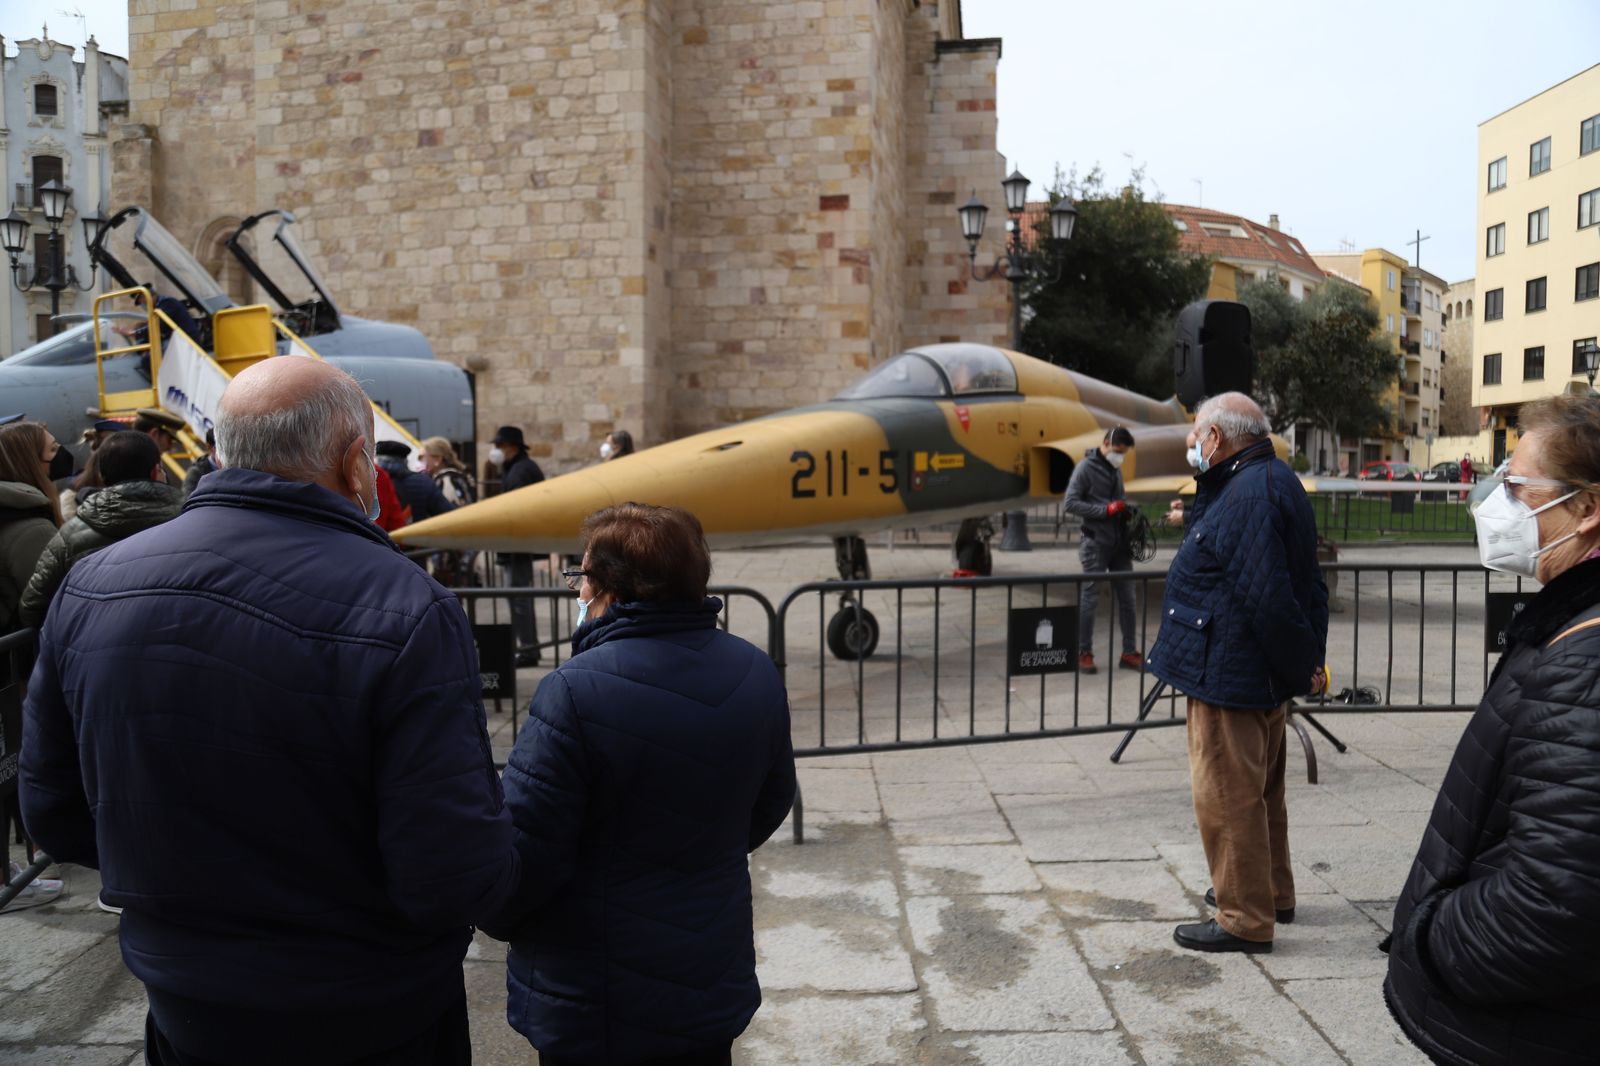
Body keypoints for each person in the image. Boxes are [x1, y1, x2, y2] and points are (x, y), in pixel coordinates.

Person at [19, 357, 521, 1065]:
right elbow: (448, 870)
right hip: (371, 1004)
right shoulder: (404, 606)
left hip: (187, 998)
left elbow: (54, 813)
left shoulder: (95, 582)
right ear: (355, 463)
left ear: (222, 452)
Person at [484, 503, 796, 1065]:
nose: (577, 593)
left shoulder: (575, 692)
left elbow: (527, 851)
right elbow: (771, 801)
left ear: (610, 588)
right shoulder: (754, 669)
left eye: (581, 577)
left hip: (598, 987)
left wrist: (501, 917)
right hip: (706, 966)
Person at [1384, 395, 1600, 1064]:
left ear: (1588, 509)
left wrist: (1429, 938)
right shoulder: (1567, 624)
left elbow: (1554, 907)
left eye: (1515, 487)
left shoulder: (1584, 663)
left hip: (1528, 1031)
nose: (1496, 505)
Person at [1149, 393, 1327, 955]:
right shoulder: (1266, 479)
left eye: (1195, 433)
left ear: (1219, 438)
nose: (1190, 443)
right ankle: (1269, 892)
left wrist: (1301, 668)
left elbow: (1270, 599)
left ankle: (1243, 916)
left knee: (1228, 795)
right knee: (1261, 793)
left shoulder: (1248, 493)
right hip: (1254, 672)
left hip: (1231, 673)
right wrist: (1300, 666)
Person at [19, 432, 183, 629]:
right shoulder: (192, 521)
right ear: (156, 472)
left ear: (102, 477)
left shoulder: (71, 534)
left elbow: (32, 606)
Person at [1062, 426, 1142, 673]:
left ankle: (1129, 652)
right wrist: (1105, 510)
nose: (1120, 456)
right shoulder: (1085, 467)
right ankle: (1084, 653)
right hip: (1095, 542)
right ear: (1106, 443)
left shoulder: (1115, 469)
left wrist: (1124, 511)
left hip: (1119, 544)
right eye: (1118, 450)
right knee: (1090, 598)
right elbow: (1070, 503)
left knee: (1128, 598)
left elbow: (1117, 501)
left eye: (1124, 453)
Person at [0, 422, 66, 633]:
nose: (62, 455)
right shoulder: (33, 530)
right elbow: (56, 605)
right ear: (29, 462)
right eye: (53, 449)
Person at [490, 425, 545, 665]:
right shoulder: (517, 468)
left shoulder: (521, 470)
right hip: (515, 543)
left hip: (517, 544)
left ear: (510, 446)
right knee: (518, 596)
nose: (496, 450)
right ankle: (528, 647)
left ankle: (529, 650)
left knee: (519, 597)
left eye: (499, 446)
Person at [376, 439, 450, 523]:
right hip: (415, 534)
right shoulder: (423, 482)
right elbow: (448, 516)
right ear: (405, 460)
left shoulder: (369, 483)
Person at [180, 429, 218, 497]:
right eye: (220, 448)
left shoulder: (236, 465)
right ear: (208, 447)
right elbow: (187, 500)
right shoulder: (196, 473)